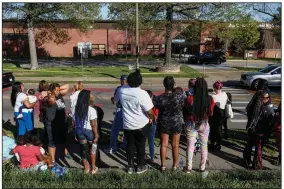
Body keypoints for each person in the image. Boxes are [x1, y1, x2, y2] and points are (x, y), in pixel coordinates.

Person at [119, 70, 154, 174]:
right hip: (141, 124)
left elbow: (116, 100)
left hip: (127, 124)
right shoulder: (143, 94)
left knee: (130, 145)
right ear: (140, 82)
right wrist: (151, 117)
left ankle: (130, 166)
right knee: (140, 145)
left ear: (128, 81)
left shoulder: (122, 90)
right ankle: (140, 166)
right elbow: (150, 111)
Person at [183, 78, 215, 178]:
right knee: (204, 146)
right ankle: (202, 168)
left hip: (191, 123)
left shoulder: (189, 97)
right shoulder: (209, 98)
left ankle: (188, 168)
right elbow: (211, 113)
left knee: (190, 146)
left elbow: (185, 109)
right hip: (204, 123)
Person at [154, 76, 184, 171]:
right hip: (176, 122)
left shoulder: (159, 98)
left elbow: (156, 107)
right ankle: (175, 166)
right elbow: (183, 106)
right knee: (175, 145)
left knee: (164, 144)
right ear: (173, 84)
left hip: (164, 122)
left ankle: (163, 166)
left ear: (164, 85)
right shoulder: (179, 97)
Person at [243, 90, 274, 170]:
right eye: (266, 98)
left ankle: (246, 161)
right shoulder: (266, 108)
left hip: (251, 129)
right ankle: (256, 165)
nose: (268, 99)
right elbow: (270, 121)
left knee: (249, 146)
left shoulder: (252, 106)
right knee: (258, 149)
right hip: (260, 131)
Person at [72, 90, 99, 174]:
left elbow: (73, 123)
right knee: (93, 148)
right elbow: (93, 124)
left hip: (79, 130)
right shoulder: (91, 110)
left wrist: (75, 133)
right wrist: (96, 135)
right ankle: (93, 167)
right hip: (89, 131)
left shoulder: (75, 109)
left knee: (83, 149)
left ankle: (86, 167)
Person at [44, 83, 70, 163]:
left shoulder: (59, 95)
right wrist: (50, 92)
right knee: (52, 142)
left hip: (61, 122)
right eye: (56, 90)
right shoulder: (49, 98)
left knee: (63, 139)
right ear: (51, 91)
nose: (58, 91)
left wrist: (57, 89)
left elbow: (67, 86)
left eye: (59, 90)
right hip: (52, 124)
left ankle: (65, 152)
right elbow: (48, 101)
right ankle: (52, 160)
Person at [105, 75, 128, 153]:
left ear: (121, 80)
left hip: (120, 110)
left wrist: (112, 99)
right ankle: (125, 144)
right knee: (126, 129)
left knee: (115, 130)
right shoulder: (131, 88)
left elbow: (115, 100)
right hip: (128, 111)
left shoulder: (119, 89)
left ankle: (113, 147)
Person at [209, 81, 228, 151]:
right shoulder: (225, 94)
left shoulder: (213, 96)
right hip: (222, 114)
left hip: (214, 115)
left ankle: (212, 144)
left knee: (212, 130)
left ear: (214, 88)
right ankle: (218, 144)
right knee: (219, 129)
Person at [145, 90, 159, 163]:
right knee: (151, 141)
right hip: (153, 123)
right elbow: (156, 115)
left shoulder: (144, 103)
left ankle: (142, 155)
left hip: (144, 124)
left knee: (143, 140)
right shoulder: (155, 104)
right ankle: (152, 157)